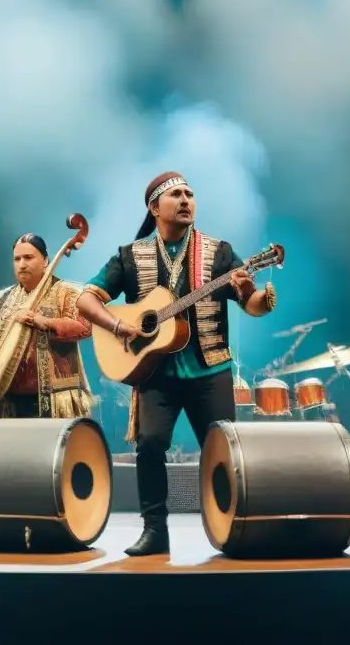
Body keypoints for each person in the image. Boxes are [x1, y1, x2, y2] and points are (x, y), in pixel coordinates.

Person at [76, 171, 278, 556]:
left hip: (210, 369)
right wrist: (119, 326)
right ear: (155, 208)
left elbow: (248, 303)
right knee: (150, 445)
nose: (187, 200)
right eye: (177, 195)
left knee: (222, 449)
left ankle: (232, 525)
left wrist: (257, 298)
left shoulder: (218, 252)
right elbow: (85, 300)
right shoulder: (129, 256)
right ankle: (155, 532)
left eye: (190, 194)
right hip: (155, 372)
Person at [0, 233, 94, 419]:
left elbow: (85, 327)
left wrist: (45, 322)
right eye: (17, 259)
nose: (22, 264)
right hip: (7, 399)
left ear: (45, 259)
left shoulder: (67, 292)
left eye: (29, 257)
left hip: (55, 399)